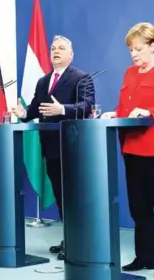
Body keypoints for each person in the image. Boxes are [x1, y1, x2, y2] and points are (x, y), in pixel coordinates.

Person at [101, 22, 154, 278]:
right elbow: (126, 108)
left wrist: (151, 112)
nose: (134, 54)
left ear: (152, 46)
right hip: (134, 150)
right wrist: (114, 114)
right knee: (139, 208)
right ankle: (144, 257)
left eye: (138, 49)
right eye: (130, 50)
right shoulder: (130, 73)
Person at [12, 35, 95, 260]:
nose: (55, 52)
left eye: (61, 48)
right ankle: (69, 237)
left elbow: (86, 107)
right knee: (60, 194)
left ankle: (79, 240)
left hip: (72, 146)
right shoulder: (42, 81)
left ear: (71, 54)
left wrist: (63, 110)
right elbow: (35, 111)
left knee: (73, 195)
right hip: (50, 146)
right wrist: (23, 114)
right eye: (52, 48)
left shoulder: (81, 78)